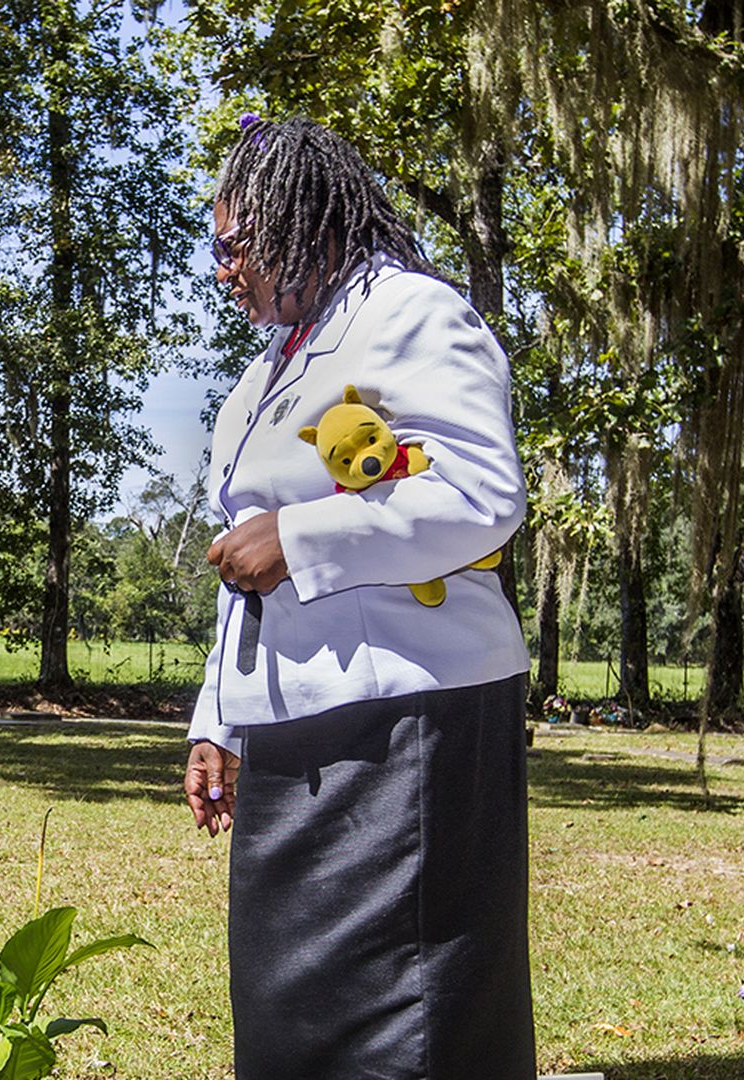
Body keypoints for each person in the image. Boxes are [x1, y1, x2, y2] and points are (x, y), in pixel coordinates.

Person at [182, 116, 535, 1079]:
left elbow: (482, 497)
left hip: (411, 725)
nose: (223, 272)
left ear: (300, 221)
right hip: (294, 737)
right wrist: (219, 720)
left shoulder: (411, 313)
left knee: (410, 1025)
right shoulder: (261, 378)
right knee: (291, 1019)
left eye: (234, 247)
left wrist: (300, 539)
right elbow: (236, 568)